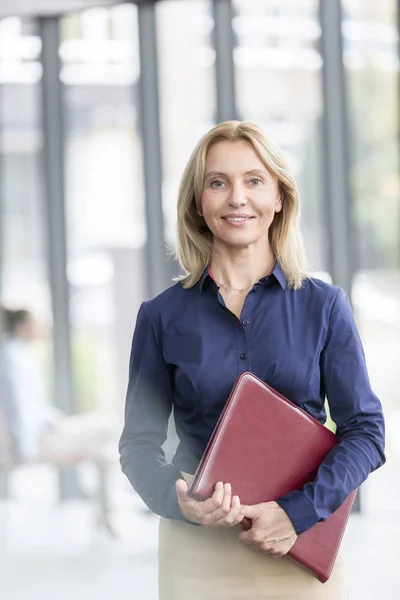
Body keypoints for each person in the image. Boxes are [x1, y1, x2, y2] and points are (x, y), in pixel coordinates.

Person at [118, 120, 385, 599]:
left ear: (279, 198)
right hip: (197, 552)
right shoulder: (161, 317)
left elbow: (366, 433)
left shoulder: (324, 306)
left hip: (299, 541)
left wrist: (298, 512)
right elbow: (137, 444)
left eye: (254, 181)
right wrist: (178, 503)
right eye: (218, 182)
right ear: (199, 204)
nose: (236, 197)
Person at [0, 308, 113, 464]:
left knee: (106, 450)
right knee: (107, 429)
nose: (38, 328)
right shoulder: (13, 356)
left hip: (43, 430)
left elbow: (31, 403)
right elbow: (16, 403)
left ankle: (90, 487)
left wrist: (55, 419)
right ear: (21, 327)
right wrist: (25, 450)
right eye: (33, 324)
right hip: (37, 438)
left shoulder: (19, 353)